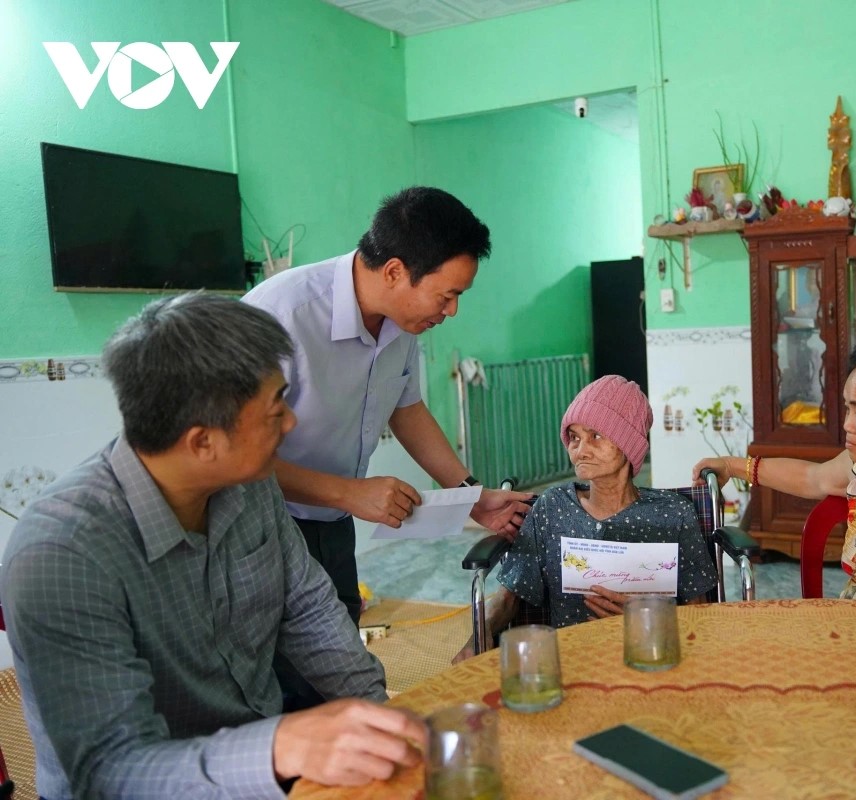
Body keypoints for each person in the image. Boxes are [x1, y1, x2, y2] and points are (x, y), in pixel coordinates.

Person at [0, 295, 427, 800]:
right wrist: (278, 747)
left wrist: (377, 708)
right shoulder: (63, 554)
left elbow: (307, 607)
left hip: (257, 768)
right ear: (202, 442)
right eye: (276, 409)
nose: (290, 423)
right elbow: (111, 770)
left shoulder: (249, 483)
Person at [243, 187, 532, 628]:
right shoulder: (281, 315)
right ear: (395, 271)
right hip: (258, 526)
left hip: (332, 523)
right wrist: (350, 493)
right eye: (446, 296)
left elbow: (407, 409)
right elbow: (236, 455)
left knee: (336, 641)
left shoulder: (401, 324)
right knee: (269, 656)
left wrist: (469, 494)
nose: (452, 311)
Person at [454, 376, 718, 661]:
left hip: (651, 656)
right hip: (572, 660)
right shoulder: (553, 507)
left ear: (629, 444)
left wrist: (648, 617)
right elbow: (508, 597)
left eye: (596, 436)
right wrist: (479, 635)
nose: (580, 451)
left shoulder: (673, 514)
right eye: (575, 438)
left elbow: (699, 613)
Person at [693, 330, 856, 602]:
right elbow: (811, 477)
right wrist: (730, 466)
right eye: (848, 410)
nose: (847, 425)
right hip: (853, 624)